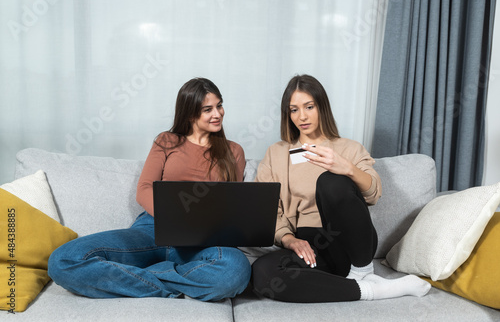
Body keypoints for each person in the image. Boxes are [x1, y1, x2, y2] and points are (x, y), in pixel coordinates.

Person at [48, 77, 251, 301]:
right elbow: (144, 188)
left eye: (219, 105)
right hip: (153, 229)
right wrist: (174, 218)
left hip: (204, 241)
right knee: (64, 259)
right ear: (190, 113)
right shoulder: (167, 141)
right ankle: (176, 282)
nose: (218, 114)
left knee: (235, 270)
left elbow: (233, 203)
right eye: (208, 109)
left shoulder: (233, 151)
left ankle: (148, 276)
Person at [251, 74, 431, 302]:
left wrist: (346, 168)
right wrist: (288, 239)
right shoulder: (276, 153)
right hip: (309, 247)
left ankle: (363, 270)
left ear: (321, 107)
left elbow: (374, 192)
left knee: (330, 181)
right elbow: (267, 208)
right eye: (294, 110)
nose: (302, 116)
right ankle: (370, 289)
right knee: (264, 274)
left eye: (309, 107)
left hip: (349, 243)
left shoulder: (349, 148)